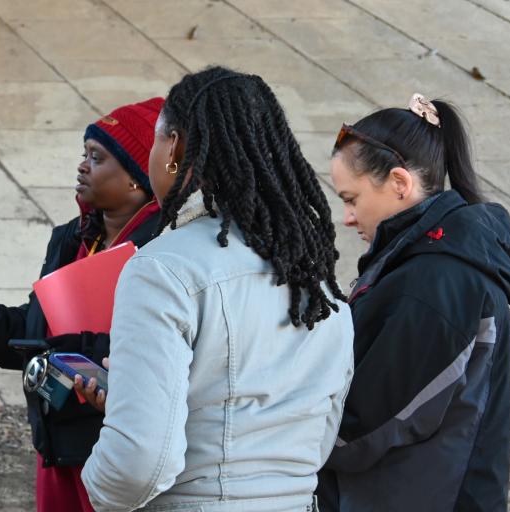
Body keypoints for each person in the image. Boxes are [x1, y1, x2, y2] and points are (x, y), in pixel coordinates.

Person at [79, 67, 355, 512]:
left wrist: (97, 485)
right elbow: (319, 433)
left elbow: (139, 463)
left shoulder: (161, 270)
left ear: (174, 147)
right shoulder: (317, 279)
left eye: (155, 138)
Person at [0, 98, 207, 512]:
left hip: (118, 460)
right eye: (84, 154)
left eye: (97, 158)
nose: (82, 166)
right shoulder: (71, 239)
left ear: (139, 178)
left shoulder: (164, 254)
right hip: (57, 452)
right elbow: (31, 332)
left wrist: (78, 357)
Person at [316, 95, 510, 511]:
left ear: (400, 184)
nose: (347, 217)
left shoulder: (436, 284)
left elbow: (362, 429)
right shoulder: (426, 261)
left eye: (351, 199)